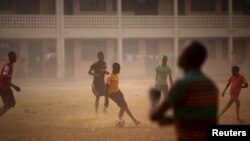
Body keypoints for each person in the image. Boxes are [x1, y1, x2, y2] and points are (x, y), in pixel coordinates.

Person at [150, 41, 218, 141]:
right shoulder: (211, 85)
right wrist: (173, 120)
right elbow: (201, 119)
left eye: (182, 53)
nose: (179, 55)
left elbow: (155, 116)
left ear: (187, 58)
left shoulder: (183, 84)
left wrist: (154, 100)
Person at [0, 51, 21, 117]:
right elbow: (4, 79)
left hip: (7, 87)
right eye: (14, 56)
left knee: (12, 103)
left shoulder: (10, 66)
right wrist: (15, 87)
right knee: (8, 104)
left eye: (15, 56)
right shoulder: (7, 67)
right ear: (10, 57)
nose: (15, 58)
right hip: (3, 87)